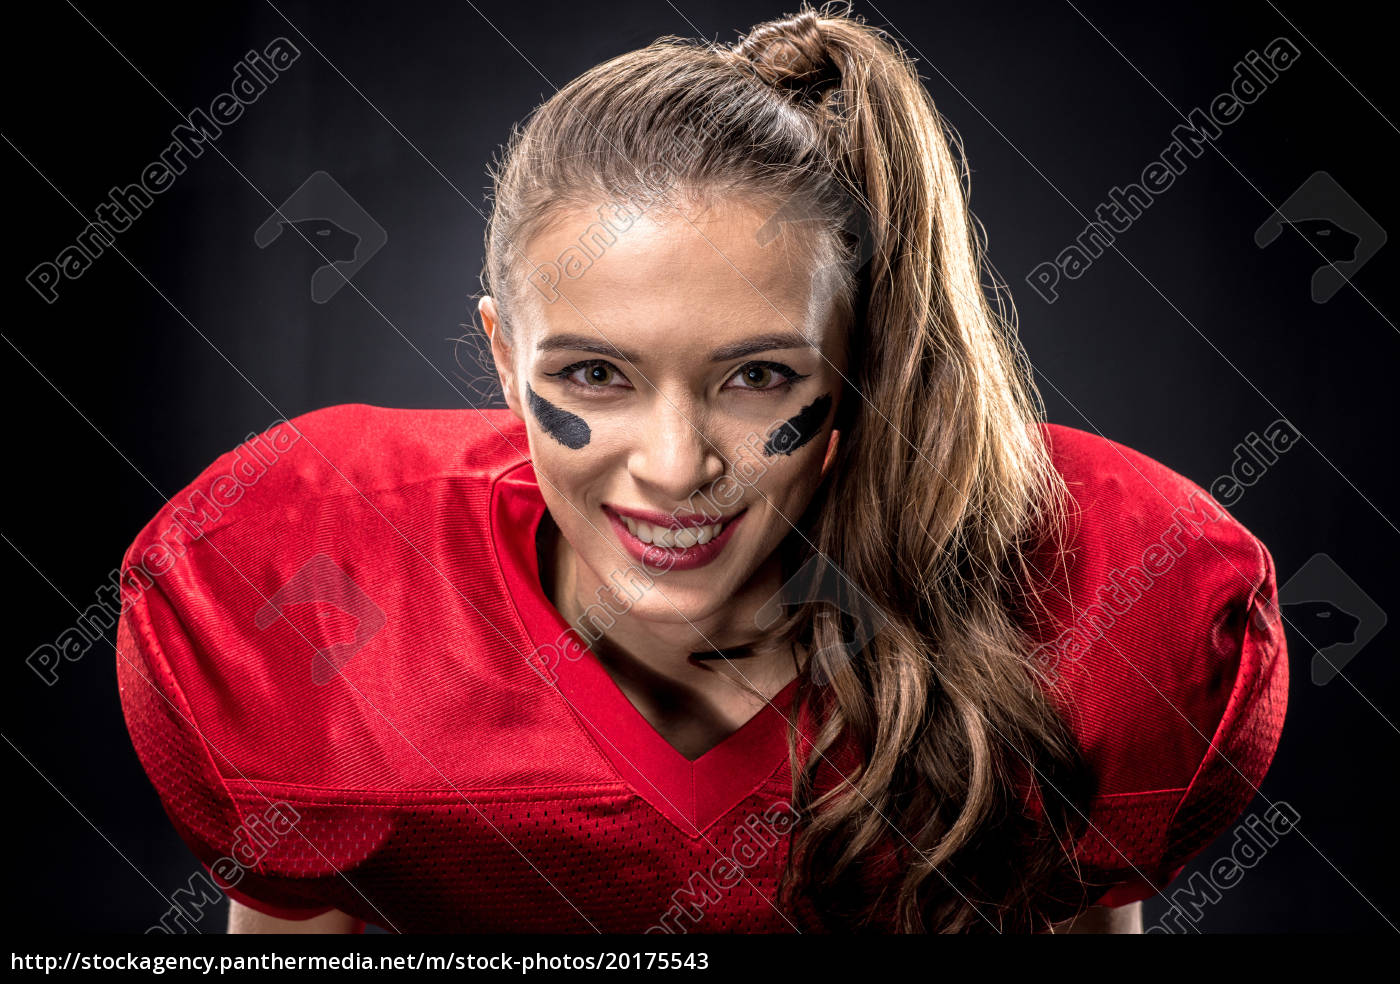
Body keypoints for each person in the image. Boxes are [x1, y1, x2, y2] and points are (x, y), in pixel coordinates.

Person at [115, 3, 1287, 934]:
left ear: (854, 360)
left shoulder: (1108, 605)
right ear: (498, 351)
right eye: (592, 377)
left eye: (757, 377)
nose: (675, 467)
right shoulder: (309, 604)